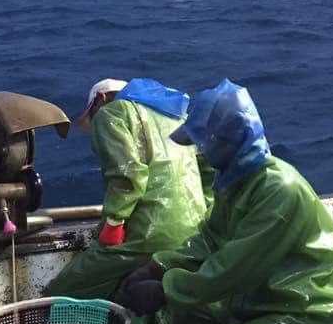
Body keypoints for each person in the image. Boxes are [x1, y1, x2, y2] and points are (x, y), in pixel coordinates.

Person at [115, 79, 333, 324]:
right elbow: (209, 240)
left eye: (204, 142)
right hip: (264, 301)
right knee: (189, 316)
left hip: (308, 313)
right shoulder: (236, 182)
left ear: (227, 140)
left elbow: (231, 269)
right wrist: (159, 265)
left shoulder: (278, 190)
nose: (200, 151)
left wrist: (165, 289)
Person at [44, 77, 210, 302]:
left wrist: (114, 222)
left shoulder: (111, 112)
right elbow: (208, 169)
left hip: (149, 234)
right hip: (194, 232)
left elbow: (128, 173)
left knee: (65, 289)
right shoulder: (178, 117)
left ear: (101, 98)